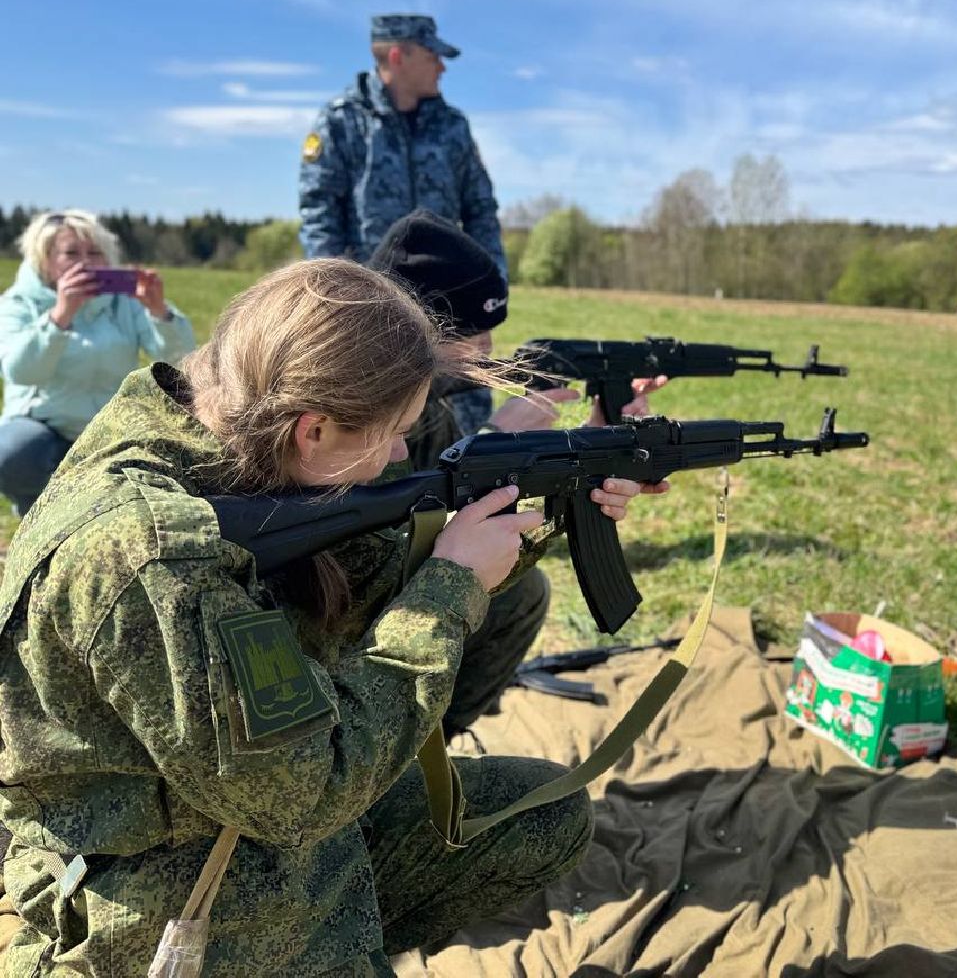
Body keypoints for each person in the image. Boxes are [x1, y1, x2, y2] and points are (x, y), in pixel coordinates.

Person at [0, 260, 663, 974]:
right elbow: (307, 792)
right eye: (395, 432)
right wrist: (450, 588)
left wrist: (549, 496)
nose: (403, 454)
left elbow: (337, 580)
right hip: (156, 891)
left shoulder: (192, 421)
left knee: (542, 811)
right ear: (312, 429)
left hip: (233, 800)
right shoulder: (152, 560)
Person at [366, 210, 666, 739]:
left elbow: (448, 511)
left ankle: (424, 747)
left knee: (523, 597)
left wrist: (581, 451)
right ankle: (390, 753)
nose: (486, 351)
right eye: (472, 334)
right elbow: (380, 558)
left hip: (387, 604)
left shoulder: (430, 408)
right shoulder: (352, 411)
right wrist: (494, 444)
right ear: (415, 327)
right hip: (339, 623)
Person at [298, 13, 505, 431]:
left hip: (452, 308)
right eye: (433, 56)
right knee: (376, 423)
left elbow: (481, 208)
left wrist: (488, 293)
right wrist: (338, 304)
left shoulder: (452, 127)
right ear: (398, 55)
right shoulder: (341, 122)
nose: (442, 67)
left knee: (463, 424)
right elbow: (319, 212)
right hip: (372, 306)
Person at [0, 209, 195, 517]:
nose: (86, 262)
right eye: (71, 253)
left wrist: (159, 313)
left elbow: (180, 361)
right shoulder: (18, 303)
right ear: (45, 260)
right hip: (43, 426)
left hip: (107, 425)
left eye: (95, 253)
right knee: (11, 453)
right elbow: (21, 372)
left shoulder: (125, 301)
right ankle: (35, 510)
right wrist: (59, 316)